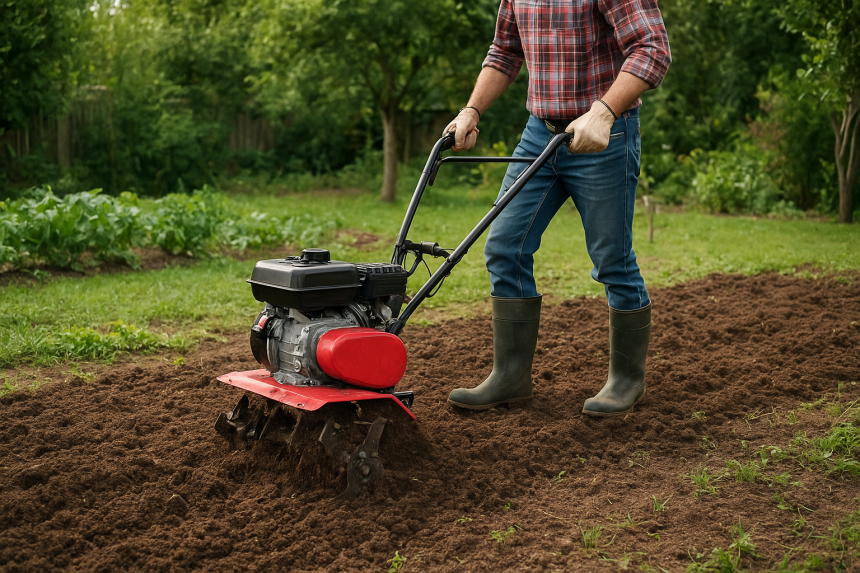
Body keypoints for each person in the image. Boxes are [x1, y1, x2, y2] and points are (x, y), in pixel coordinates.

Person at [445, 0, 671, 416]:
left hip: (604, 135)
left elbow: (652, 47)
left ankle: (627, 381)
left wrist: (604, 111)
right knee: (504, 246)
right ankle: (510, 375)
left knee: (612, 261)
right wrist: (471, 110)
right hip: (540, 134)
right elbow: (504, 52)